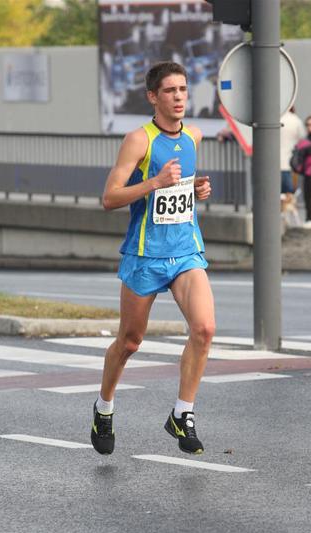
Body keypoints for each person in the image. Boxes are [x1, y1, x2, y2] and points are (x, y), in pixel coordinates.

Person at [91, 61, 215, 456]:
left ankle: (182, 413)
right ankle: (104, 407)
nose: (178, 97)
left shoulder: (194, 136)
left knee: (204, 329)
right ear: (152, 97)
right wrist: (154, 183)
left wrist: (196, 189)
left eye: (183, 89)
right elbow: (109, 198)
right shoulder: (138, 141)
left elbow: (180, 189)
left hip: (185, 250)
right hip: (145, 254)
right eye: (169, 91)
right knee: (130, 341)